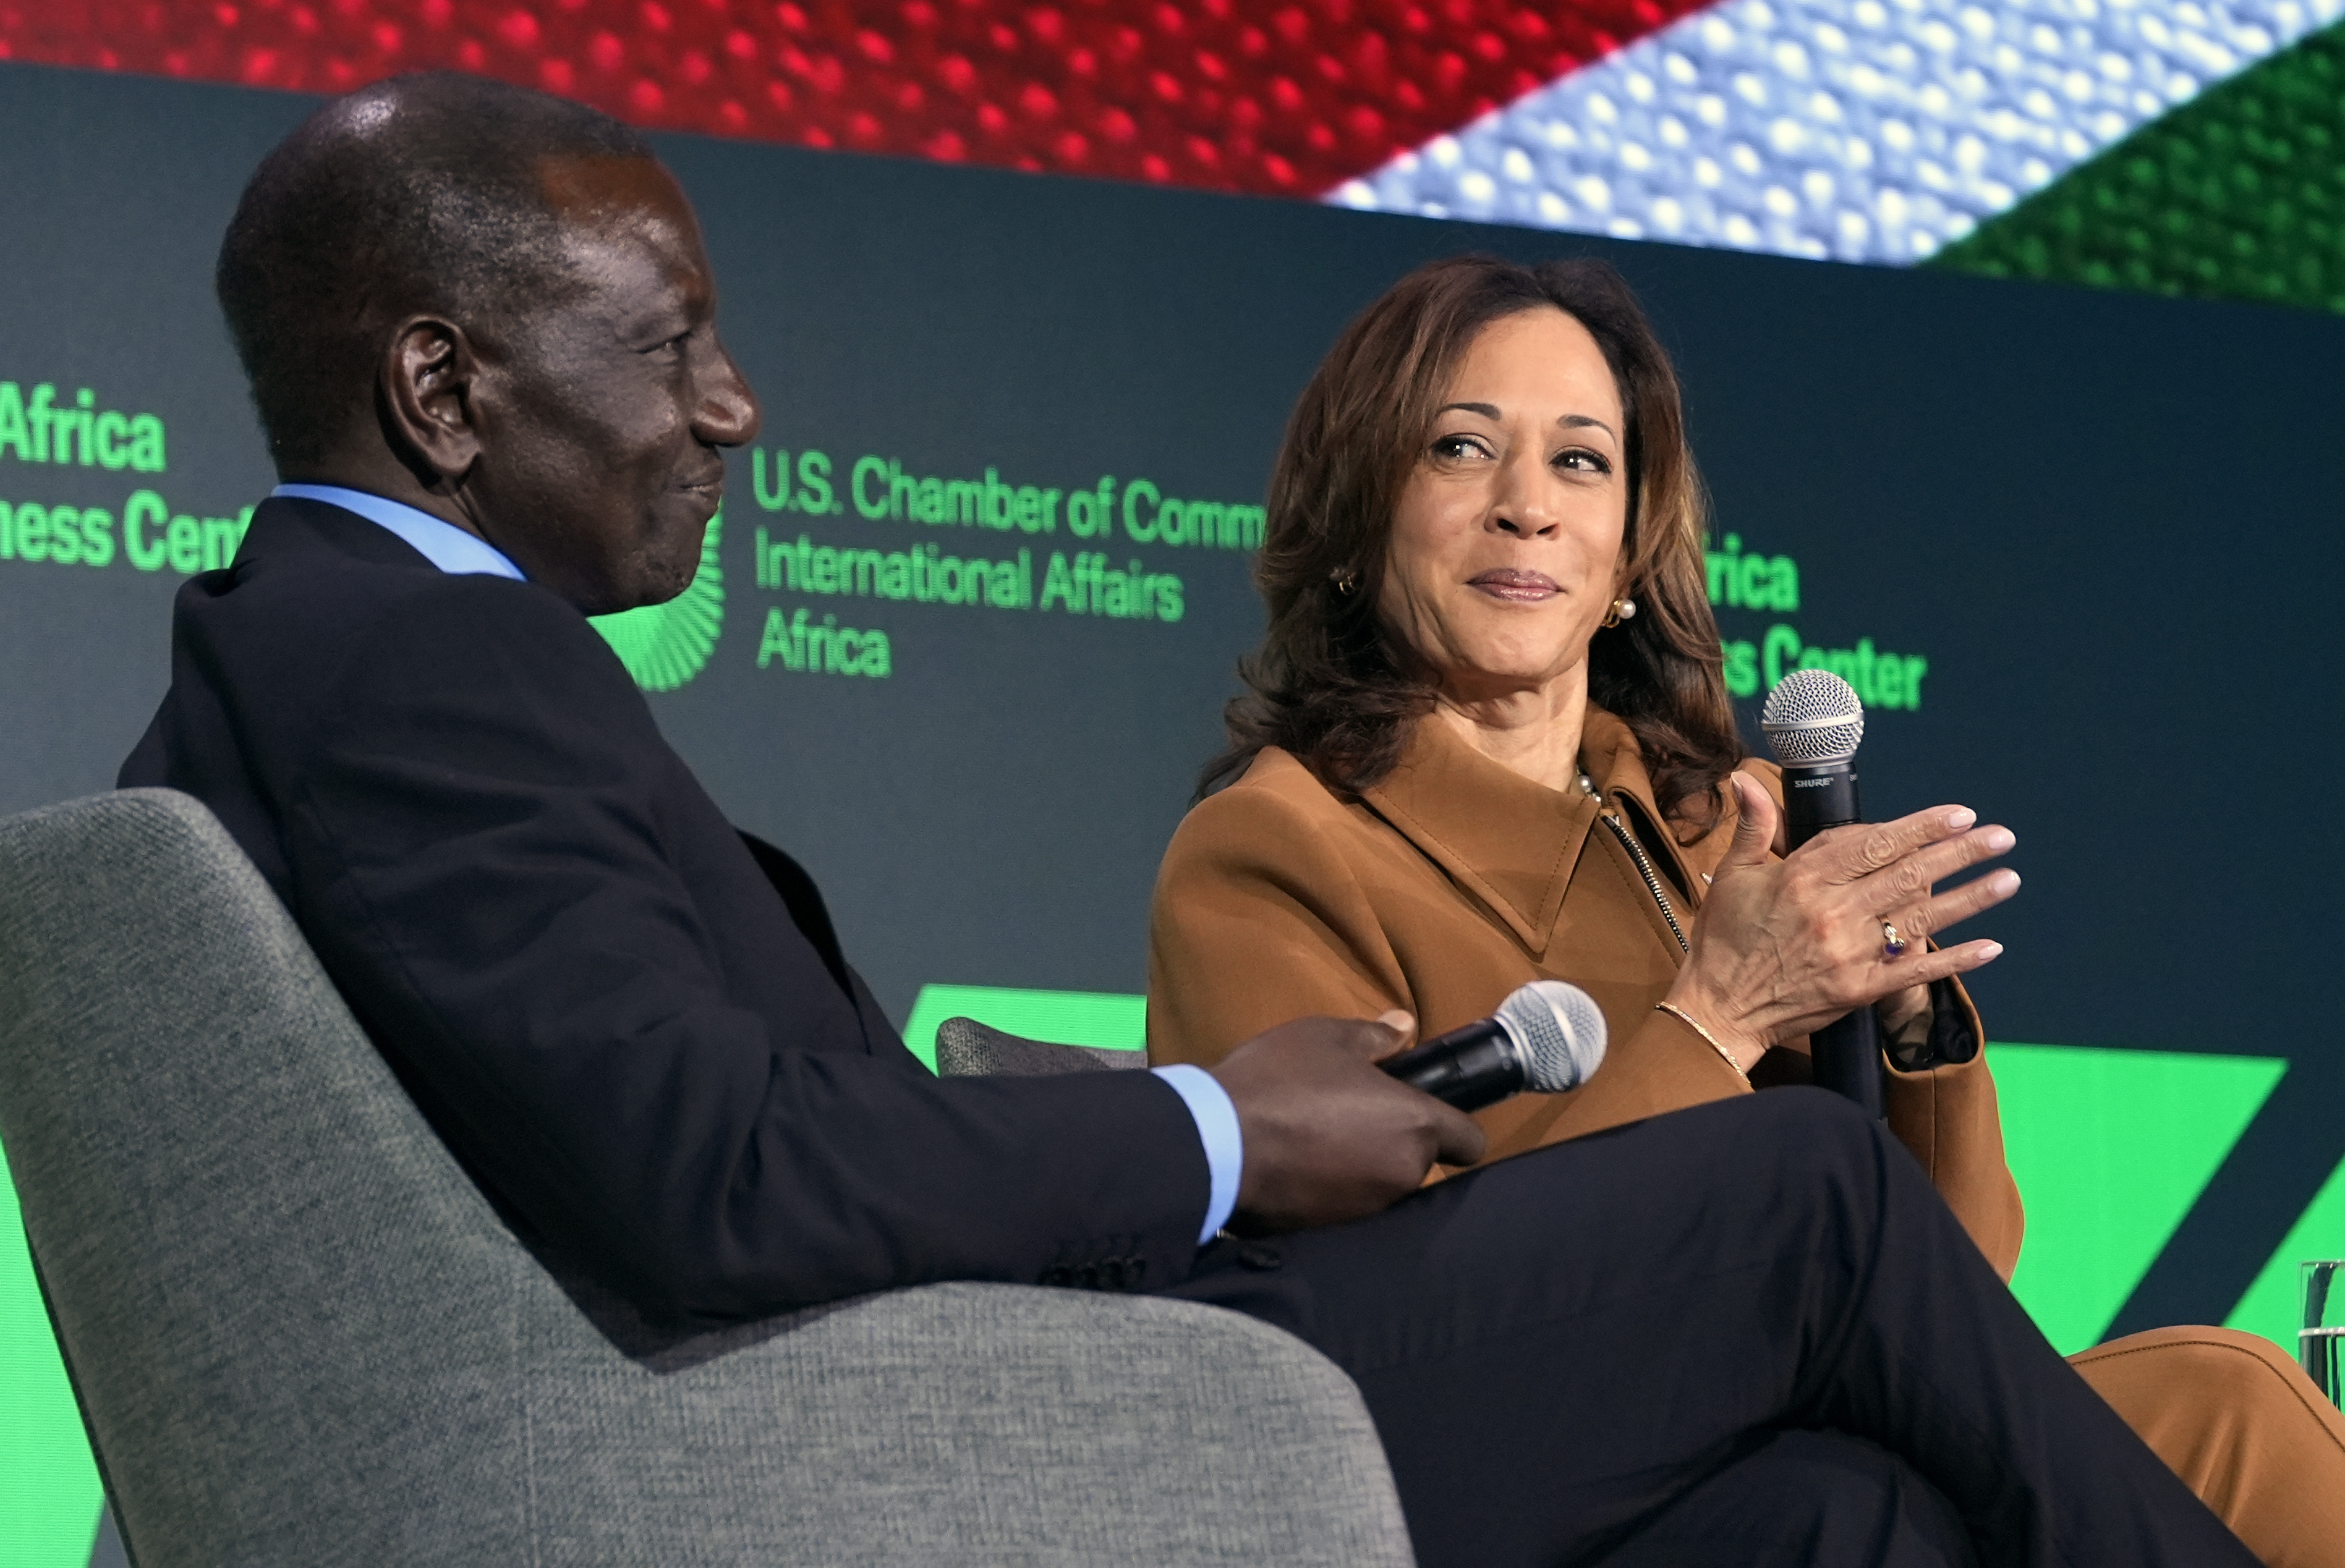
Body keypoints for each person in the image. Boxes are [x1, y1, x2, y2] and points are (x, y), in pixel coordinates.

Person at [119, 72, 2265, 1567]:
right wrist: (1219, 1124)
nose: (730, 402)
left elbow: (676, 1132)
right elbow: (724, 1172)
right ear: (440, 391)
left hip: (943, 1393)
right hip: (938, 1452)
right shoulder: (411, 668)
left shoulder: (298, 672)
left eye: (1587, 465)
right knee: (1792, 1202)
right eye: (674, 342)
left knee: (1840, 1519)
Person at [1146, 253, 2345, 1565]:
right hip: (1538, 1475)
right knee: (1846, 1505)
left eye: (1581, 463)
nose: (1526, 509)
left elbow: (1955, 1271)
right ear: (1357, 517)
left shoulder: (1722, 823)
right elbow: (1396, 1329)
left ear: (1627, 554)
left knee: (2227, 1402)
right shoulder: (1273, 850)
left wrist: (1904, 1016)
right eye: (1459, 448)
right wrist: (1712, 1020)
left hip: (1810, 1414)